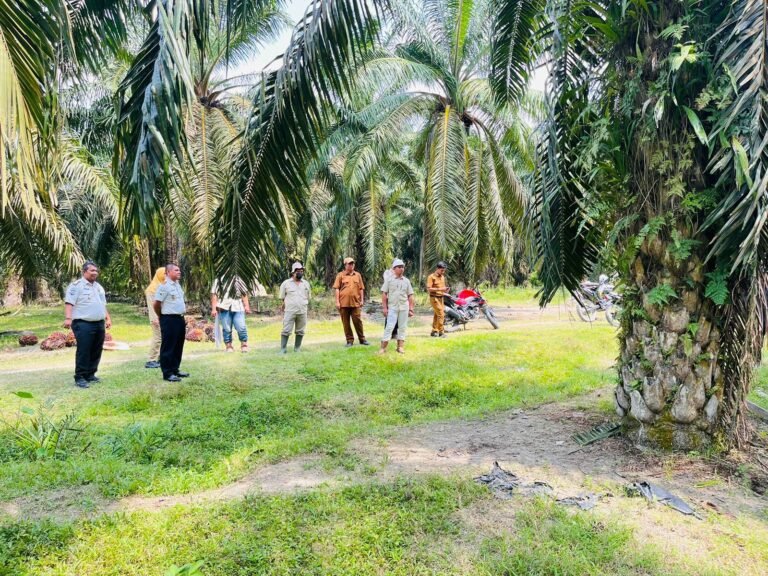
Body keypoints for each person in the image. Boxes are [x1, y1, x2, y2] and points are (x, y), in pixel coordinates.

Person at [64, 260, 112, 388]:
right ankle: (80, 376)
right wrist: (68, 318)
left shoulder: (98, 287)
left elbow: (102, 305)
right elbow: (69, 303)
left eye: (96, 271)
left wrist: (108, 318)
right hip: (83, 323)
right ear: (84, 271)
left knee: (96, 349)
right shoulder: (76, 286)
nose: (95, 273)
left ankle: (91, 374)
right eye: (92, 270)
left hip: (99, 323)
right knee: (84, 350)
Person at [153, 264, 189, 382]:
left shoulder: (177, 285)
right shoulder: (164, 287)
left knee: (178, 345)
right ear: (168, 272)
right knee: (168, 346)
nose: (179, 272)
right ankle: (167, 373)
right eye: (176, 270)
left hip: (179, 318)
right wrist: (161, 316)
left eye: (179, 269)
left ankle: (175, 369)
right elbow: (156, 304)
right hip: (169, 319)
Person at [379, 258, 415, 355]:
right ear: (394, 269)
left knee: (402, 327)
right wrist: (385, 308)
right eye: (399, 267)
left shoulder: (406, 281)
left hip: (404, 307)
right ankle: (383, 348)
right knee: (389, 327)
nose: (401, 269)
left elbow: (410, 295)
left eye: (402, 267)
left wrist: (411, 308)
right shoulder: (389, 280)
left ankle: (400, 347)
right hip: (393, 307)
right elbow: (384, 294)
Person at [333, 257, 369, 347]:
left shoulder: (358, 275)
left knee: (358, 321)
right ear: (345, 265)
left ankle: (362, 339)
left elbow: (361, 288)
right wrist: (337, 302)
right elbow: (337, 289)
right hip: (343, 303)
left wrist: (362, 300)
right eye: (349, 263)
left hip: (355, 303)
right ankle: (349, 340)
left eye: (352, 263)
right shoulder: (340, 275)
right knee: (346, 322)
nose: (351, 265)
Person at [211, 276, 251, 353]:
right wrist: (213, 309)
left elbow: (244, 293)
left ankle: (244, 345)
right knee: (227, 328)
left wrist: (246, 306)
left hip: (238, 307)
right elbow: (214, 295)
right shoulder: (218, 280)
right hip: (223, 307)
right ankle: (229, 346)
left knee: (241, 326)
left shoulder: (239, 279)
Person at [279, 262, 311, 353]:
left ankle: (297, 348)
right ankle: (283, 349)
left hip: (302, 311)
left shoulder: (306, 284)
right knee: (286, 330)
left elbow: (308, 296)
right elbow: (282, 297)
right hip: (290, 311)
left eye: (301, 271)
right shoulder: (286, 283)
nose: (300, 272)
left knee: (300, 331)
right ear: (293, 272)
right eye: (298, 271)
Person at [144, 267, 165, 368]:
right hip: (156, 318)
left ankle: (161, 358)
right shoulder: (152, 289)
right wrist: (155, 318)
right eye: (164, 274)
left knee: (164, 338)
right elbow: (152, 306)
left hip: (163, 317)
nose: (166, 276)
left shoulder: (163, 287)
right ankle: (151, 360)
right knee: (158, 338)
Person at [427, 261, 449, 338]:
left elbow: (442, 288)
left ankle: (434, 331)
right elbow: (429, 289)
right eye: (441, 270)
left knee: (437, 315)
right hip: (434, 297)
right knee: (441, 314)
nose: (443, 272)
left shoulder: (442, 277)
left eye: (444, 270)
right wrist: (440, 289)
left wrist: (445, 290)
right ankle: (441, 332)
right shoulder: (431, 277)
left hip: (441, 297)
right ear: (437, 268)